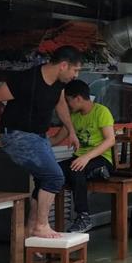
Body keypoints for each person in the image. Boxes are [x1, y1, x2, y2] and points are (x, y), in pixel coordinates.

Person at [0, 46, 82, 239]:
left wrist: (71, 131)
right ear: (63, 65)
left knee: (43, 180)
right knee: (55, 177)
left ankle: (31, 230)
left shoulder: (59, 84)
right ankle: (41, 225)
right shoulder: (26, 80)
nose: (76, 75)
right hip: (17, 136)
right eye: (75, 70)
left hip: (39, 137)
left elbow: (61, 104)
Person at [49, 79, 115, 233]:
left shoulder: (101, 111)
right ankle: (42, 220)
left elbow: (110, 140)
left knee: (76, 170)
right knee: (53, 171)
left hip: (102, 158)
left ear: (78, 98)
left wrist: (86, 157)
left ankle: (84, 217)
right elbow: (57, 139)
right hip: (79, 159)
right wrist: (37, 142)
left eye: (68, 101)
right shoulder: (73, 117)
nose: (67, 105)